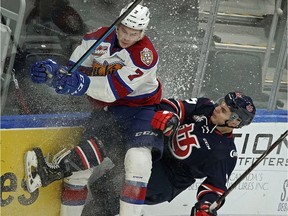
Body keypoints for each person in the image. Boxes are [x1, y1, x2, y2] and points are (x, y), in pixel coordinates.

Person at [24, 3, 163, 216]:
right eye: (124, 31)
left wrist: (79, 83)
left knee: (138, 161)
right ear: (117, 25)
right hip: (107, 111)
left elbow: (111, 91)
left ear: (142, 33)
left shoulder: (145, 55)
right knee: (78, 173)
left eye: (133, 34)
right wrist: (51, 71)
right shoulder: (95, 39)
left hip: (140, 110)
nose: (127, 38)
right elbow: (72, 72)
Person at [83, 91, 256, 216]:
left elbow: (214, 187)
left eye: (224, 111)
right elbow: (175, 106)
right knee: (102, 187)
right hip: (157, 154)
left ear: (234, 122)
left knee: (112, 199)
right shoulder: (205, 107)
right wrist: (170, 116)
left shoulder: (224, 153)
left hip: (166, 180)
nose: (217, 109)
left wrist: (205, 206)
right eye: (221, 104)